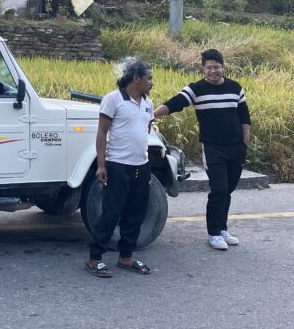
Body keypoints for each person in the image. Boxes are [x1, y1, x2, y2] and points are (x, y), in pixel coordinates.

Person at [154, 48, 251, 251]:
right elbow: (175, 103)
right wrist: (151, 115)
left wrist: (245, 142)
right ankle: (213, 233)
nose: (213, 71)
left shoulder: (235, 88)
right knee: (219, 189)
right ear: (203, 69)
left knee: (229, 190)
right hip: (213, 147)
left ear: (223, 67)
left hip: (236, 147)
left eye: (216, 67)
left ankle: (223, 228)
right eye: (209, 67)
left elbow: (244, 116)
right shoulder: (196, 89)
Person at [86, 57, 154, 278]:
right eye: (149, 78)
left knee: (135, 213)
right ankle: (95, 259)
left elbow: (145, 131)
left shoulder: (147, 103)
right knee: (110, 213)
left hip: (141, 166)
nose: (152, 83)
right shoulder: (113, 99)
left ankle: (126, 256)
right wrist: (101, 164)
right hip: (117, 166)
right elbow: (101, 133)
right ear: (136, 78)